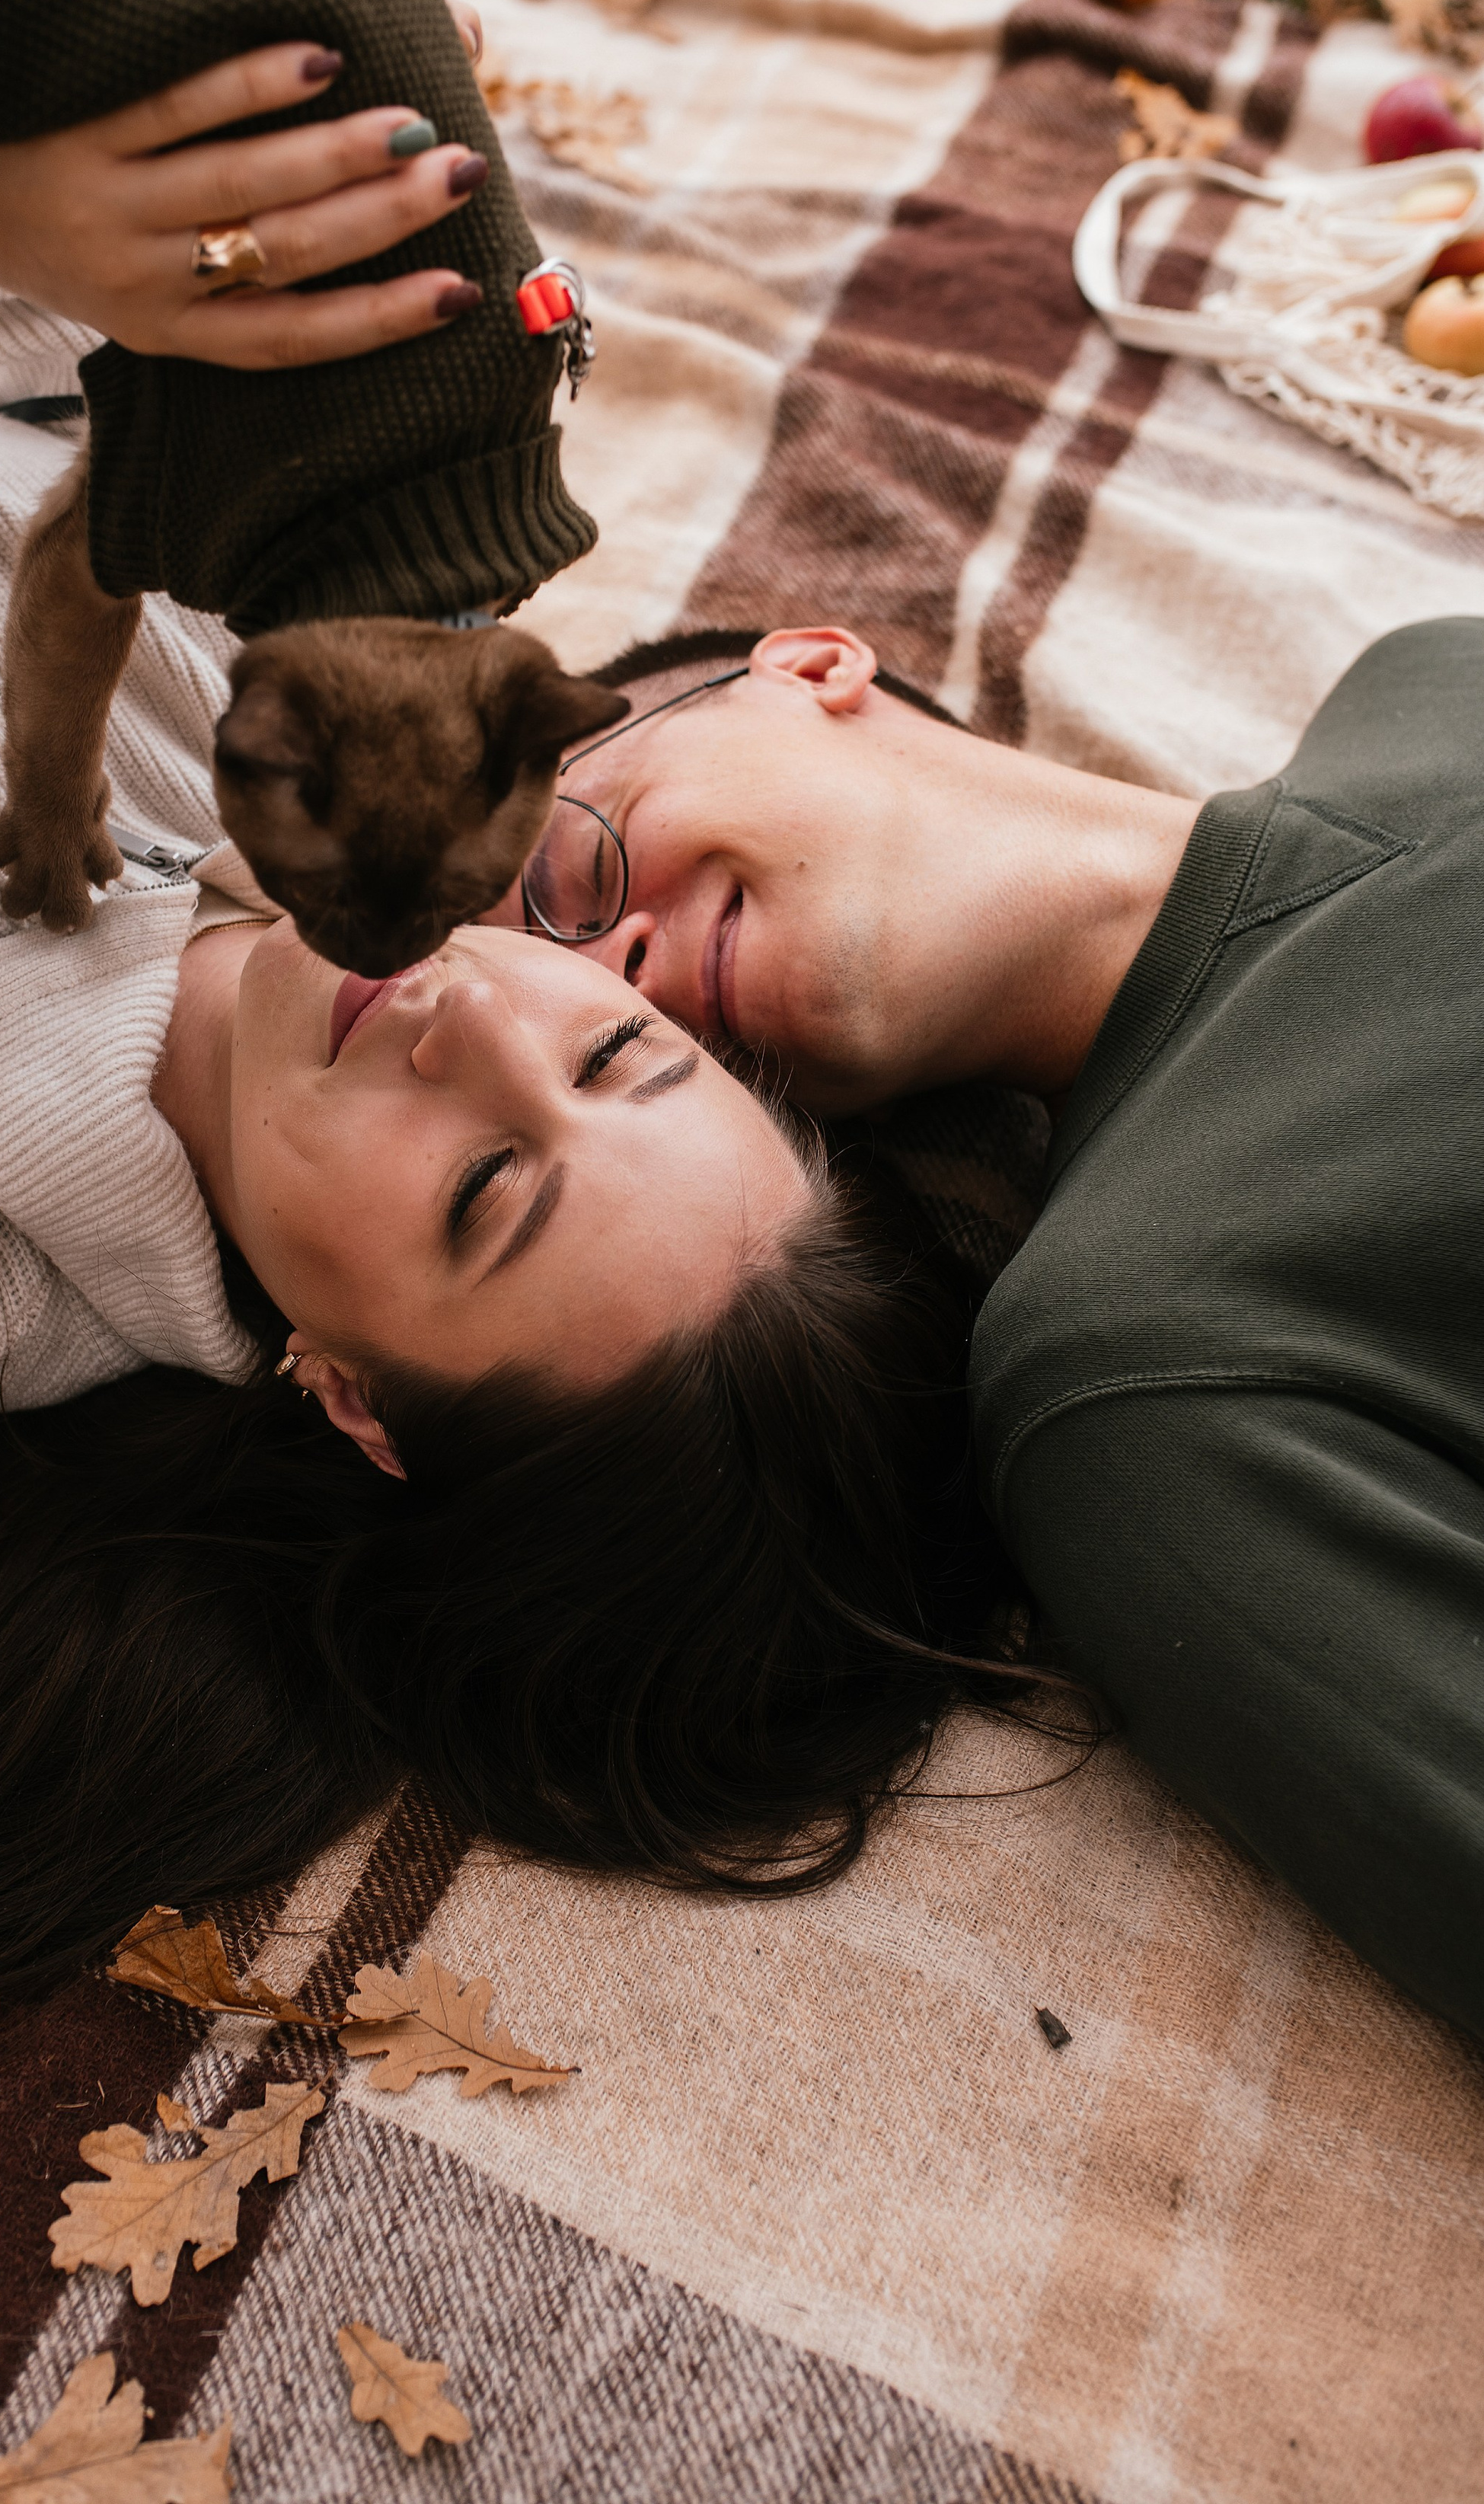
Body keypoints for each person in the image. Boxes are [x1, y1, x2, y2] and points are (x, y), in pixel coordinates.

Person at [0, 0, 1019, 1998]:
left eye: (489, 1195)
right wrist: (230, 112)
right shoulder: (309, 767)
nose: (466, 1018)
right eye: (614, 1063)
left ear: (353, 1404)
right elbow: (76, 372)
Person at [525, 620, 1484, 2039]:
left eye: (564, 872)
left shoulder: (1428, 672)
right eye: (585, 1034)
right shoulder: (1141, 1372)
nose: (614, 971)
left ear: (808, 667)